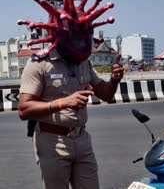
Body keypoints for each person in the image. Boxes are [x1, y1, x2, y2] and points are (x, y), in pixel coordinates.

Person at [18, 44, 124, 188]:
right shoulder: (39, 63)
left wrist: (114, 80)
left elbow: (105, 94)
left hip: (82, 139)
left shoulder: (83, 62)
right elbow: (24, 109)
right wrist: (62, 103)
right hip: (53, 141)